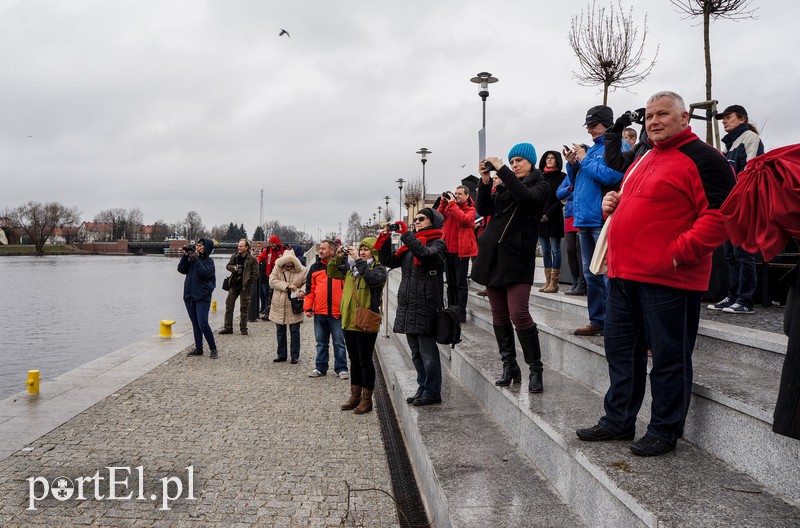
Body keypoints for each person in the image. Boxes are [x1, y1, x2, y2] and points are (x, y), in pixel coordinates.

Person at [576, 91, 735, 456]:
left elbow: (720, 216)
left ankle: (665, 429)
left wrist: (678, 255)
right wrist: (611, 202)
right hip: (623, 274)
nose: (654, 121)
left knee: (668, 357)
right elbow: (629, 199)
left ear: (684, 119)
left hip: (670, 279)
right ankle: (618, 421)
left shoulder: (705, 158)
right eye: (649, 116)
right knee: (621, 353)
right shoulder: (645, 156)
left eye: (663, 114)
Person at [472, 143, 550, 393]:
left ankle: (535, 368)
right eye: (511, 161)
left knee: (519, 314)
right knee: (499, 315)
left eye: (519, 161)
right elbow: (483, 209)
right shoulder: (505, 185)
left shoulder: (541, 186)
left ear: (531, 162)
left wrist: (502, 170)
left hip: (517, 259)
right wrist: (484, 181)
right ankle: (509, 365)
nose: (514, 165)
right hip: (493, 258)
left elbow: (526, 199)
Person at [564, 105, 627, 336]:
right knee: (591, 274)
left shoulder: (618, 145)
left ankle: (614, 323)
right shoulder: (590, 152)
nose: (590, 130)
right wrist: (573, 165)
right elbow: (576, 183)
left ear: (607, 123)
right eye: (588, 126)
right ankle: (597, 321)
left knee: (608, 274)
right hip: (585, 220)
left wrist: (584, 159)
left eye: (594, 125)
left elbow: (612, 174)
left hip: (602, 219)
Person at [376, 208, 447, 406]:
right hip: (409, 304)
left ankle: (432, 392)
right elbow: (388, 260)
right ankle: (422, 387)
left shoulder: (438, 243)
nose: (417, 221)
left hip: (426, 303)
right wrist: (385, 238)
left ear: (433, 221)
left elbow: (426, 255)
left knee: (428, 354)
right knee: (416, 352)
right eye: (415, 219)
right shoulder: (409, 246)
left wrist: (406, 234)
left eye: (421, 219)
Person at [707, 104, 765, 315]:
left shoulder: (750, 138)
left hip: (743, 205)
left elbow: (751, 171)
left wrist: (738, 200)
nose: (723, 121)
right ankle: (732, 296)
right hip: (729, 207)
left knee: (743, 254)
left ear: (742, 119)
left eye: (728, 117)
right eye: (722, 118)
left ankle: (745, 300)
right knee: (730, 254)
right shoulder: (728, 145)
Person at [327, 237, 387, 414]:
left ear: (373, 252)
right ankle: (355, 395)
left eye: (366, 249)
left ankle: (367, 400)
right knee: (354, 359)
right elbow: (331, 273)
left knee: (365, 360)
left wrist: (359, 261)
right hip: (348, 320)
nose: (362, 252)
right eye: (360, 249)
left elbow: (371, 280)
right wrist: (337, 258)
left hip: (365, 321)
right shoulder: (351, 267)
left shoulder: (379, 268)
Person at [304, 240, 348, 379]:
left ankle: (341, 368)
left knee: (339, 343)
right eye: (320, 249)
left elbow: (347, 290)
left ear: (332, 251)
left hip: (336, 312)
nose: (320, 251)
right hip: (320, 312)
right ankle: (320, 367)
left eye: (323, 249)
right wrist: (308, 307)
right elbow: (310, 290)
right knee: (321, 343)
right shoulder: (315, 268)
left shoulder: (341, 267)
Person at [437, 185, 477, 314]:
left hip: (461, 253)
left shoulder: (470, 209)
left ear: (466, 195)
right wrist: (443, 202)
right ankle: (451, 310)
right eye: (455, 193)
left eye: (460, 194)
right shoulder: (450, 207)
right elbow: (438, 217)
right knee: (450, 284)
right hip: (447, 251)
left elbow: (464, 220)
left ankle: (460, 312)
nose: (457, 195)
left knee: (460, 284)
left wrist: (452, 204)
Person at [178, 238, 219, 358]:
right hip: (189, 297)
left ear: (206, 248)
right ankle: (198, 348)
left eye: (201, 245)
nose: (198, 247)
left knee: (203, 323)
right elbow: (181, 269)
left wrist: (196, 259)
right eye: (197, 245)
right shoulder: (192, 259)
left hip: (202, 297)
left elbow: (204, 273)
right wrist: (185, 256)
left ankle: (213, 348)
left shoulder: (209, 262)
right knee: (195, 324)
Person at [269, 250, 307, 363]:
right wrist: (288, 286)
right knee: (280, 331)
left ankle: (295, 355)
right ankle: (281, 354)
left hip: (294, 304)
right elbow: (272, 281)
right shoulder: (277, 269)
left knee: (295, 331)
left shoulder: (304, 270)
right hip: (279, 303)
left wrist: (302, 291)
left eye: (291, 265)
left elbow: (307, 283)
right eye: (287, 265)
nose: (289, 267)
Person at [537, 151, 566, 294]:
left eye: (552, 158)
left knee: (555, 250)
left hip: (553, 218)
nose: (549, 160)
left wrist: (548, 214)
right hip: (540, 219)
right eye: (547, 158)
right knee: (546, 251)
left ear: (557, 160)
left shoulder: (562, 177)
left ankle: (554, 282)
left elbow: (562, 199)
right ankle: (547, 281)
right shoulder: (540, 176)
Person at [219, 239, 259, 335]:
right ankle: (228, 327)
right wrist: (233, 268)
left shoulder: (252, 259)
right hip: (234, 285)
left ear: (246, 247)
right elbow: (228, 266)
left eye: (241, 246)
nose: (239, 248)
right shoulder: (235, 256)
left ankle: (243, 328)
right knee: (229, 306)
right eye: (238, 246)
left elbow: (256, 273)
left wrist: (249, 283)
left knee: (244, 308)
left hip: (245, 286)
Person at [556, 177, 586, 295]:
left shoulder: (584, 169)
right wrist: (571, 189)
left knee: (580, 250)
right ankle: (575, 282)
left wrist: (568, 194)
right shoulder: (569, 176)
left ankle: (582, 283)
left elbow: (582, 193)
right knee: (570, 250)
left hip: (581, 213)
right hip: (569, 215)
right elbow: (559, 193)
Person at [256, 235, 285, 320]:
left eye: (273, 243)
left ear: (277, 243)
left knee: (278, 296)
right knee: (270, 296)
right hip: (271, 276)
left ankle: (275, 313)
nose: (272, 245)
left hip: (281, 276)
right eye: (271, 243)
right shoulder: (268, 250)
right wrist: (256, 261)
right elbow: (260, 257)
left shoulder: (283, 250)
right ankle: (268, 314)